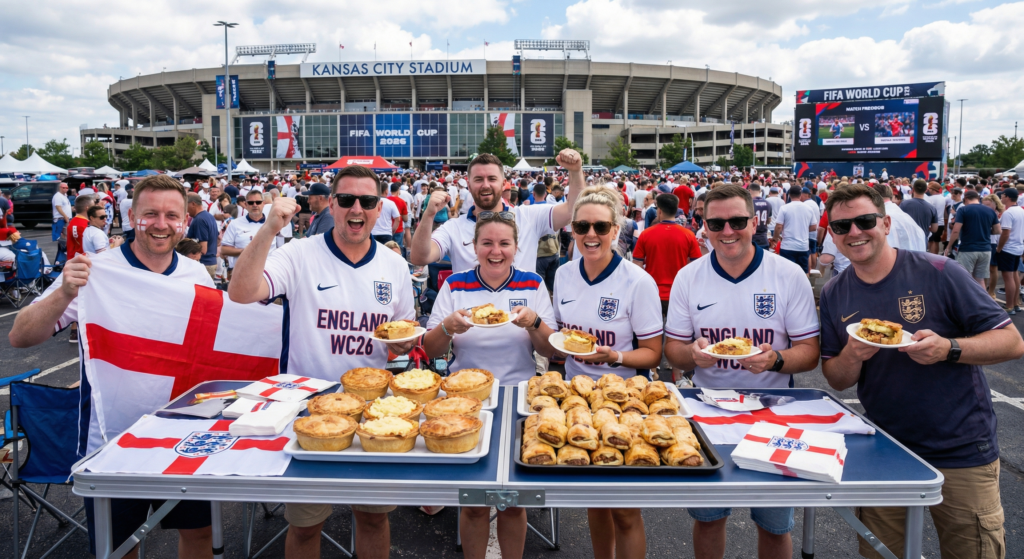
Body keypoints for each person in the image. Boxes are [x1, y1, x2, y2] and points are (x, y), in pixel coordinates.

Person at [9, 175, 216, 559]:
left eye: (171, 215)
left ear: (184, 222)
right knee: (118, 549)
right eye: (150, 213)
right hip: (113, 444)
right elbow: (20, 336)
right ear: (131, 214)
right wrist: (65, 292)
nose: (160, 223)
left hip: (185, 441)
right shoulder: (94, 270)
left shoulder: (196, 274)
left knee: (199, 535)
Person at [819, 183, 1024, 559]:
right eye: (841, 227)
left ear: (884, 223)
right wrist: (852, 354)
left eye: (864, 221)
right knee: (881, 553)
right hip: (885, 447)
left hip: (961, 447)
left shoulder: (940, 271)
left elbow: (1011, 342)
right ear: (831, 233)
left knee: (973, 551)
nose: (854, 233)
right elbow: (836, 378)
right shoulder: (835, 292)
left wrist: (949, 348)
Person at [228, 164, 416, 559]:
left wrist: (402, 343)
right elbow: (241, 292)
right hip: (311, 408)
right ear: (332, 203)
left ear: (379, 208)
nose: (356, 209)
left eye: (367, 201)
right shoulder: (298, 253)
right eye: (346, 199)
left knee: (373, 518)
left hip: (373, 413)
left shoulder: (394, 266)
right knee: (305, 525)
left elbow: (402, 334)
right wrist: (270, 229)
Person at [664, 184, 820, 559]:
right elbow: (673, 351)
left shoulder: (787, 274)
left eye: (737, 221)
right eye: (716, 223)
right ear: (703, 225)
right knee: (708, 517)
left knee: (773, 523)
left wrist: (776, 360)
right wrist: (692, 355)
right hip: (707, 410)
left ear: (754, 222)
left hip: (774, 410)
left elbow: (809, 352)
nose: (727, 231)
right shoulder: (689, 276)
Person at [421, 211, 556, 559]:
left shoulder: (532, 283)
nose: (496, 251)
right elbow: (431, 348)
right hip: (464, 402)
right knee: (475, 501)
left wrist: (535, 323)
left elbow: (548, 349)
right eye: (487, 243)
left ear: (516, 246)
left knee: (514, 501)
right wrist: (448, 327)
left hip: (519, 398)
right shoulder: (455, 284)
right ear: (474, 246)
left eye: (504, 244)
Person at [552, 186, 663, 559]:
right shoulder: (564, 275)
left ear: (616, 230)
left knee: (626, 509)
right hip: (576, 398)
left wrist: (614, 356)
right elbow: (561, 337)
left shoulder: (637, 281)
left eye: (601, 227)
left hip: (624, 401)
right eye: (582, 226)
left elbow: (652, 354)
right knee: (595, 502)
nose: (591, 235)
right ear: (572, 230)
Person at [410, 151, 582, 274]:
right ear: (469, 186)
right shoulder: (453, 228)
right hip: (470, 322)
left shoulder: (528, 217)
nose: (486, 185)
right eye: (478, 179)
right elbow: (419, 257)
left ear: (503, 184)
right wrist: (428, 215)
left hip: (521, 322)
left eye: (492, 179)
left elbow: (573, 209)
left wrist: (575, 171)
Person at [945, 190, 1000, 288]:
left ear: (965, 198)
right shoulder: (990, 210)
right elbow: (997, 230)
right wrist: (984, 231)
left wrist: (948, 247)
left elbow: (956, 231)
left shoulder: (963, 210)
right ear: (978, 198)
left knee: (964, 277)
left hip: (968, 249)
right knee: (980, 279)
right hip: (985, 250)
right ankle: (981, 302)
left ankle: (965, 302)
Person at [771, 185, 817, 275]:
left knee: (787, 273)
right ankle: (804, 289)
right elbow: (814, 227)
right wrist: (801, 228)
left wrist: (775, 239)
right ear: (800, 195)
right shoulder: (808, 208)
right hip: (803, 246)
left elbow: (778, 226)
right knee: (804, 273)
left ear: (789, 195)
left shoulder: (784, 208)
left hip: (787, 246)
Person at [997, 187, 1024, 314]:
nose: (1001, 198)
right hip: (1018, 247)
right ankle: (1015, 303)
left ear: (1007, 197)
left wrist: (999, 248)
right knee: (1014, 275)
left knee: (1008, 277)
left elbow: (1005, 233)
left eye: (1002, 195)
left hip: (1008, 248)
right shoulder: (1020, 210)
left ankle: (1009, 306)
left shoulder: (1008, 213)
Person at [186, 193, 220, 280]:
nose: (184, 209)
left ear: (193, 204)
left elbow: (203, 249)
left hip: (203, 264)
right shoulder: (209, 216)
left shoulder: (199, 220)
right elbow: (219, 239)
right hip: (210, 263)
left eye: (185, 205)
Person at [899, 179, 938, 247]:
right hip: (922, 242)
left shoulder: (903, 204)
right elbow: (934, 229)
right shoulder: (932, 208)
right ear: (926, 190)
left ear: (913, 189)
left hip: (907, 242)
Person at [983, 194, 1005, 299]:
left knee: (993, 268)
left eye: (988, 204)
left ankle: (991, 292)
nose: (985, 207)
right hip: (986, 242)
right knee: (985, 268)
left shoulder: (1000, 214)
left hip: (995, 242)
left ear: (995, 205)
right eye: (984, 204)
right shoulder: (984, 213)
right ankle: (984, 291)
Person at [370, 180, 400, 245]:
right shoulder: (391, 203)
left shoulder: (372, 202)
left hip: (373, 232)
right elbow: (397, 219)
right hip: (386, 233)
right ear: (386, 191)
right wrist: (392, 231)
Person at [750, 182, 772, 249]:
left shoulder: (748, 203)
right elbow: (768, 221)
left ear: (749, 190)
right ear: (760, 191)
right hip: (763, 239)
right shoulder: (768, 203)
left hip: (751, 239)